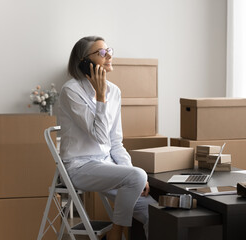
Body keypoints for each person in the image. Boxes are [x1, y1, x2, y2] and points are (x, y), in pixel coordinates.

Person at [58, 36, 156, 240]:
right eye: (101, 53)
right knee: (137, 176)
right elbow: (100, 136)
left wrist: (130, 172)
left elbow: (115, 141)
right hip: (80, 167)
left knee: (153, 214)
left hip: (107, 165)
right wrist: (100, 98)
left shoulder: (115, 91)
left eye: (108, 50)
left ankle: (117, 229)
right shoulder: (71, 90)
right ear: (84, 61)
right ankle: (117, 232)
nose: (109, 55)